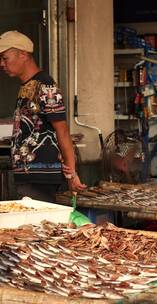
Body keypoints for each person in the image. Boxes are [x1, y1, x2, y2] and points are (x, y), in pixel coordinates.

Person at [0, 30, 86, 202]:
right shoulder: (27, 86)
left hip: (40, 175)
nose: (1, 64)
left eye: (5, 58)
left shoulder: (46, 86)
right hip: (28, 174)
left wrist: (72, 173)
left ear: (23, 54)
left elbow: (62, 130)